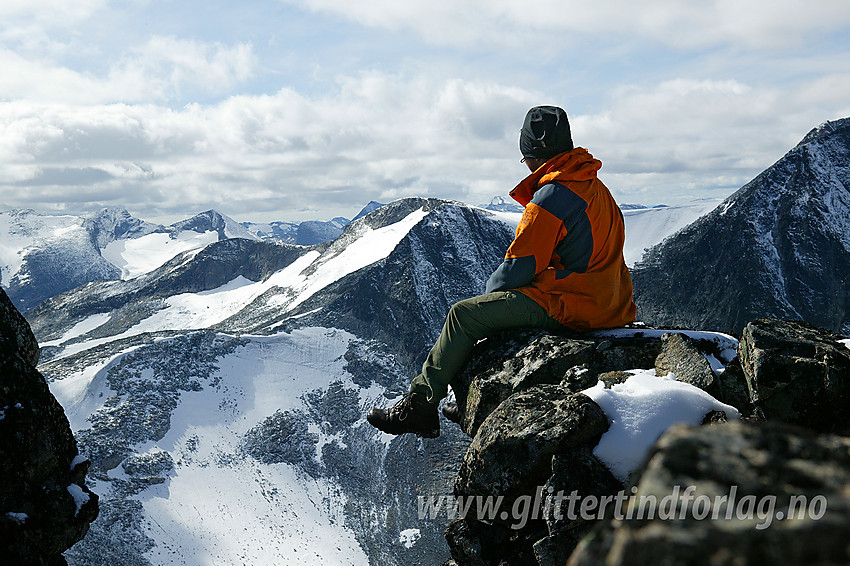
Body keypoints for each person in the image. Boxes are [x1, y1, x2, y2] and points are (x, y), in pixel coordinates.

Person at [367, 105, 637, 438]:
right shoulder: (596, 188)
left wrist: (488, 299)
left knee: (464, 317)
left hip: (575, 306)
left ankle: (420, 406)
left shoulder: (552, 196)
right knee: (489, 315)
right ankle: (462, 399)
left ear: (531, 155)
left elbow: (518, 267)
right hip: (612, 304)